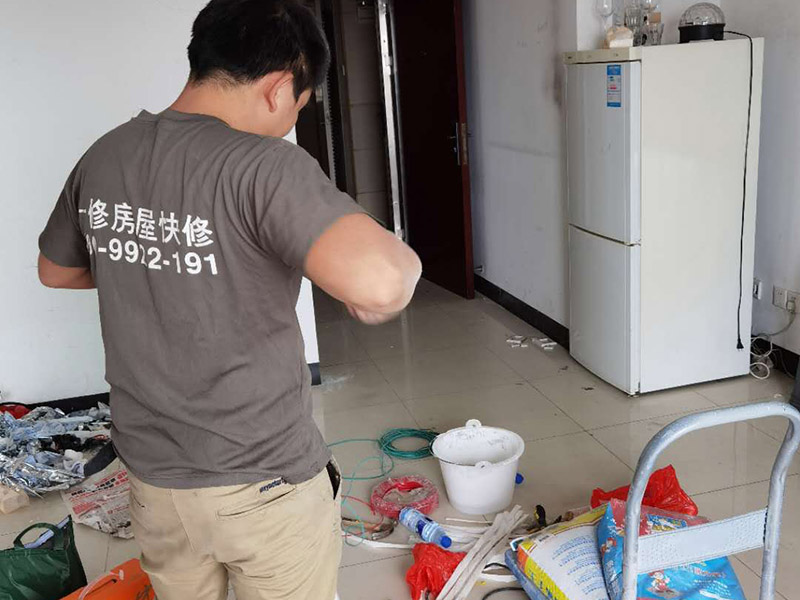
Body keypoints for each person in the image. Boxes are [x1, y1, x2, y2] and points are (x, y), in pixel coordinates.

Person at [37, 1, 421, 598]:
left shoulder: (106, 153)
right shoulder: (264, 165)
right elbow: (383, 285)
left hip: (154, 481)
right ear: (279, 87)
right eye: (299, 105)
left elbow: (56, 271)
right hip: (262, 481)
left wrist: (155, 266)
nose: (290, 120)